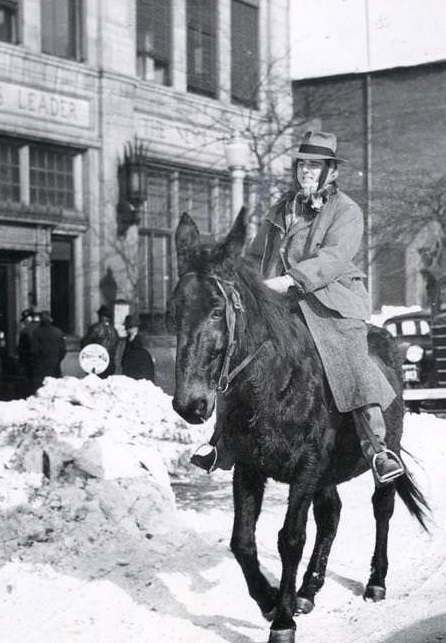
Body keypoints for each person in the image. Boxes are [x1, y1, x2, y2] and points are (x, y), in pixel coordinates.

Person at [190, 130, 405, 484]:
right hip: (281, 304)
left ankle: (377, 448)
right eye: (303, 164)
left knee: (350, 361)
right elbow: (257, 254)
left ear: (330, 172)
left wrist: (291, 280)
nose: (307, 171)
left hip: (331, 303)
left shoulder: (346, 211)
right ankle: (221, 443)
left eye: (315, 166)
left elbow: (333, 258)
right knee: (238, 353)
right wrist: (236, 273)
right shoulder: (280, 208)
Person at [29, 311, 67, 391]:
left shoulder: (36, 332)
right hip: (55, 364)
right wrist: (58, 359)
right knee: (55, 388)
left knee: (41, 388)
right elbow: (63, 350)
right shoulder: (58, 331)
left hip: (41, 365)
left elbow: (34, 350)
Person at [80, 305, 119, 378]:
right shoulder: (115, 331)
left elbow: (85, 344)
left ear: (100, 316)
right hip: (110, 363)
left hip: (96, 363)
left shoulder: (94, 328)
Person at [118, 314, 155, 382]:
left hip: (139, 369)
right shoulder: (129, 338)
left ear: (134, 328)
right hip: (130, 368)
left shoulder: (141, 338)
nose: (126, 330)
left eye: (128, 327)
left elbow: (142, 354)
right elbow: (126, 352)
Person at [16, 307, 39, 397]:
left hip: (29, 363)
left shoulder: (26, 330)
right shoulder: (44, 328)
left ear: (29, 318)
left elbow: (22, 349)